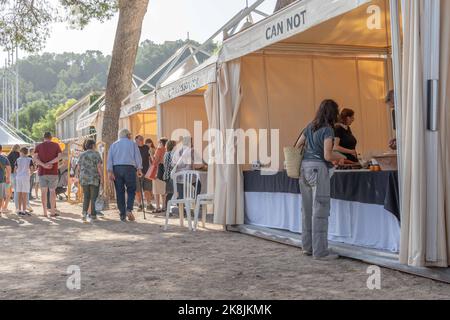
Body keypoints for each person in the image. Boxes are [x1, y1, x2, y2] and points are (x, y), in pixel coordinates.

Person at [295, 99, 345, 261]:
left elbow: (297, 145)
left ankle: (308, 247)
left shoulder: (310, 126)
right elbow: (327, 156)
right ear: (333, 113)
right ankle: (321, 251)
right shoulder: (328, 130)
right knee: (320, 210)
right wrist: (340, 157)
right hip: (318, 169)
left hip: (304, 168)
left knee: (307, 210)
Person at [107, 128, 143, 222]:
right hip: (129, 168)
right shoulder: (132, 144)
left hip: (117, 168)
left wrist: (110, 171)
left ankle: (122, 214)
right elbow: (137, 157)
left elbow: (109, 158)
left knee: (119, 191)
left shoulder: (114, 145)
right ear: (128, 135)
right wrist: (139, 168)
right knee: (131, 190)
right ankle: (129, 209)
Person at [34, 132, 62, 218]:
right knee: (52, 191)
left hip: (42, 172)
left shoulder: (38, 146)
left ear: (44, 137)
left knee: (43, 192)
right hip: (53, 172)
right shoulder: (56, 145)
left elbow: (34, 158)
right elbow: (59, 157)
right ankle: (52, 211)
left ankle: (45, 212)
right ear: (51, 137)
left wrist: (43, 165)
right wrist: (50, 162)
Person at [76, 139, 103, 223]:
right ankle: (93, 215)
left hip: (84, 178)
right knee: (93, 197)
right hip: (94, 178)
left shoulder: (82, 154)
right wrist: (102, 177)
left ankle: (84, 214)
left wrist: (78, 177)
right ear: (93, 145)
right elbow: (99, 167)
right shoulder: (96, 154)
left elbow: (79, 167)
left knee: (86, 196)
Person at [146, 138, 168, 213]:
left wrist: (151, 154)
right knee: (163, 190)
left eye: (159, 142)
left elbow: (155, 161)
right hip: (165, 171)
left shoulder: (159, 149)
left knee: (156, 190)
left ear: (161, 143)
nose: (158, 144)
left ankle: (158, 207)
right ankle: (164, 206)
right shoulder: (167, 150)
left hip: (157, 171)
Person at [135, 135, 154, 212]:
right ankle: (140, 205)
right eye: (140, 139)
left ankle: (149, 204)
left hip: (146, 172)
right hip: (137, 172)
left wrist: (153, 168)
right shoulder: (134, 148)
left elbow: (150, 158)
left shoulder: (146, 148)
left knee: (147, 189)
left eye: (142, 139)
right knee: (138, 190)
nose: (141, 140)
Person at [15, 147, 33, 216]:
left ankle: (19, 209)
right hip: (25, 177)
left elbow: (15, 169)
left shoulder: (18, 159)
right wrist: (30, 174)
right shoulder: (29, 159)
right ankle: (24, 210)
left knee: (19, 193)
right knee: (25, 194)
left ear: (21, 152)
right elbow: (31, 169)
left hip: (18, 177)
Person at [163, 140, 177, 210]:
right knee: (170, 192)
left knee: (170, 192)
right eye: (175, 145)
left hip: (166, 175)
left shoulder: (166, 153)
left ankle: (166, 207)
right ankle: (167, 208)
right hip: (170, 175)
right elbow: (172, 165)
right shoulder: (171, 154)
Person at [6, 144, 20, 212]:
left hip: (9, 174)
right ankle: (17, 207)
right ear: (17, 148)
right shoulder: (17, 154)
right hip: (15, 173)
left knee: (8, 190)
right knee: (16, 189)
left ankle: (5, 207)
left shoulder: (9, 154)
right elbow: (16, 164)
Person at [0, 145, 11, 216]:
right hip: (1, 180)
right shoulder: (4, 158)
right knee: (0, 196)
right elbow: (8, 169)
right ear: (1, 150)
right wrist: (8, 178)